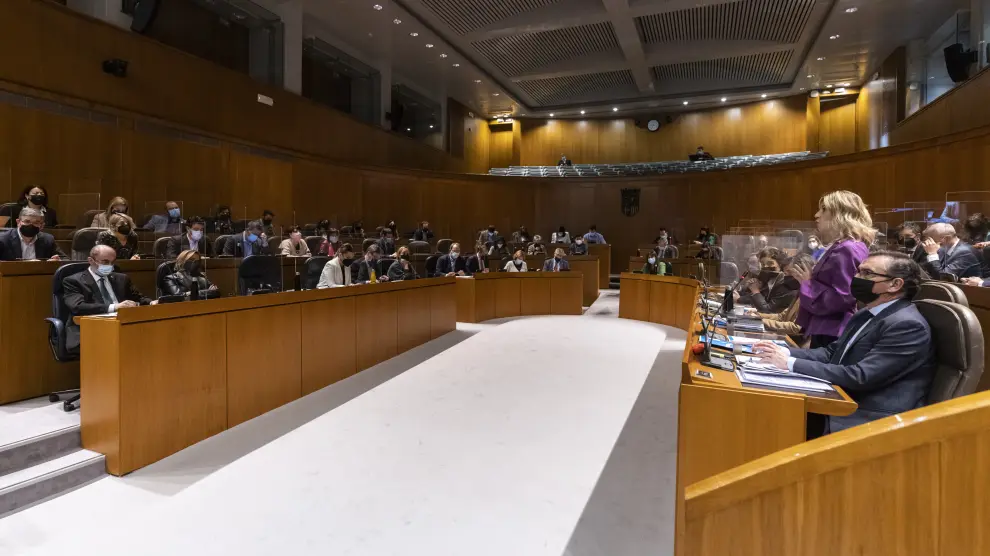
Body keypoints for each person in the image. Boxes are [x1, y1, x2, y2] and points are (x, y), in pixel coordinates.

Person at [754, 251, 936, 435]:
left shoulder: (907, 325)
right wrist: (783, 352)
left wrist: (789, 363)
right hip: (841, 399)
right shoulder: (867, 313)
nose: (856, 277)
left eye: (867, 273)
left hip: (869, 418)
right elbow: (831, 353)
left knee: (770, 418)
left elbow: (861, 376)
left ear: (895, 284)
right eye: (858, 271)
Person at [793, 190, 873, 348]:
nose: (816, 215)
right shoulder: (844, 246)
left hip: (833, 330)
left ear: (840, 214)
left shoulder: (848, 248)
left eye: (823, 209)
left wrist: (807, 284)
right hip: (827, 328)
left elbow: (842, 297)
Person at [63, 245, 155, 348]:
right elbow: (77, 307)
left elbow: (138, 298)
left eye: (113, 262)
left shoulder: (121, 279)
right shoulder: (74, 281)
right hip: (90, 329)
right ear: (91, 260)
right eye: (105, 262)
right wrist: (114, 307)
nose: (110, 266)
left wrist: (151, 302)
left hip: (121, 326)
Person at [748, 254, 814, 342]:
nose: (789, 277)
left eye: (792, 273)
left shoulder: (811, 294)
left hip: (796, 342)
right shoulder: (800, 291)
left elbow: (796, 327)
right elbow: (782, 316)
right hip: (785, 337)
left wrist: (762, 321)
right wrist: (759, 316)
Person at [0, 207, 66, 260]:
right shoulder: (2, 240)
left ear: (42, 225)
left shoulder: (48, 240)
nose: (31, 225)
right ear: (18, 222)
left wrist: (57, 261)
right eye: (27, 221)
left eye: (36, 222)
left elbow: (65, 259)